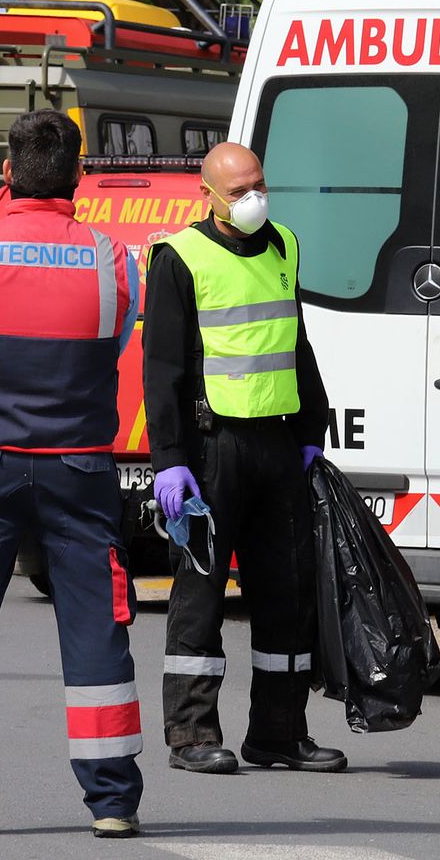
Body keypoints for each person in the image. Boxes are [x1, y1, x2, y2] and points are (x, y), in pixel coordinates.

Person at [0, 109, 143, 839]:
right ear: (79, 177)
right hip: (79, 464)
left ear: (7, 174)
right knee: (95, 624)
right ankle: (112, 800)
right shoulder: (114, 259)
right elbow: (117, 337)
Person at [143, 141, 343, 776]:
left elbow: (294, 339)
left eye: (259, 183)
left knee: (287, 594)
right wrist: (170, 458)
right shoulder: (180, 257)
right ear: (207, 193)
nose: (253, 197)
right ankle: (193, 734)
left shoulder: (283, 242)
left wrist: (314, 424)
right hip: (211, 450)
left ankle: (279, 734)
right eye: (238, 191)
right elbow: (163, 367)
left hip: (279, 443)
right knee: (200, 595)